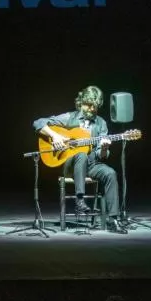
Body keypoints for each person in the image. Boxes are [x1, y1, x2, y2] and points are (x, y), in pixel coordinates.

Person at [32, 85, 127, 234]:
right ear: (81, 103)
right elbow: (38, 123)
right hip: (70, 165)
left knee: (110, 173)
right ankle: (80, 200)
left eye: (95, 106)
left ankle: (113, 220)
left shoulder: (101, 123)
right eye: (88, 105)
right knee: (81, 155)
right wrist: (55, 136)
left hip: (92, 164)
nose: (91, 109)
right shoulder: (70, 117)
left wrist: (103, 148)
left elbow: (101, 156)